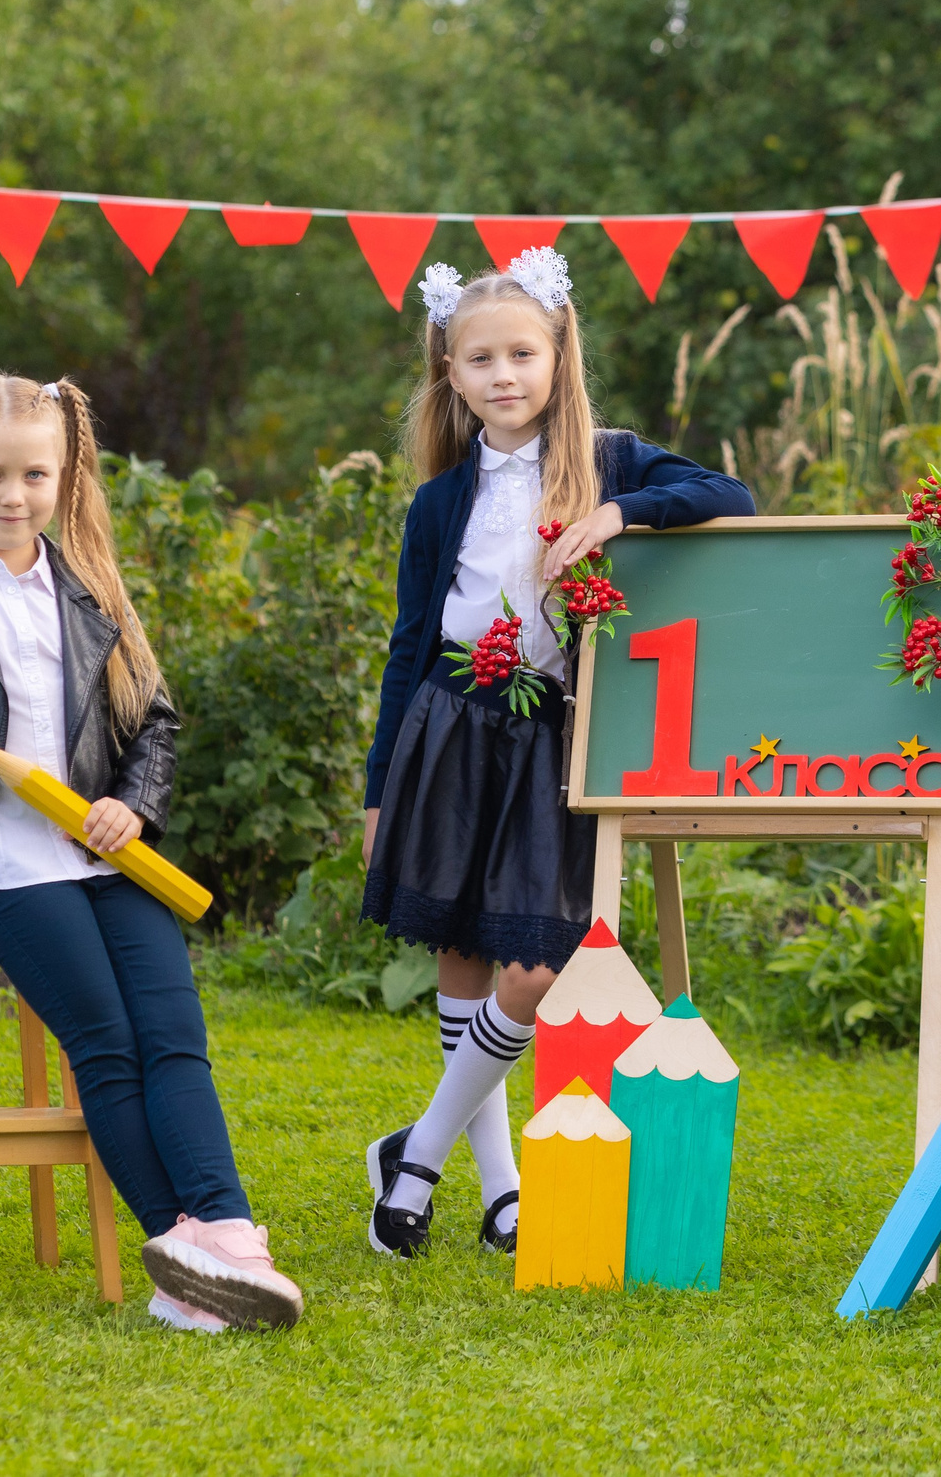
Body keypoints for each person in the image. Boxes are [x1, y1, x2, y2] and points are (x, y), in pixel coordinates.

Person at [0, 370, 302, 1334]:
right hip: (0, 864)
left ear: (65, 476)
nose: (14, 496)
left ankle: (228, 1237)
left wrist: (133, 803)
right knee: (108, 1044)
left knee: (174, 1034)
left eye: (35, 475)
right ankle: (180, 1257)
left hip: (106, 858)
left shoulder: (90, 591)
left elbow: (153, 722)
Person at [360, 247, 753, 1259]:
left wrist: (620, 512)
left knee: (535, 967)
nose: (504, 375)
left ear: (557, 356)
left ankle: (415, 1156)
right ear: (451, 373)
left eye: (522, 354)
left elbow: (732, 494)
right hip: (449, 728)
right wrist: (377, 791)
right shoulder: (439, 500)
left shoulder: (609, 460)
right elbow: (408, 646)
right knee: (461, 953)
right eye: (480, 359)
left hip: (554, 736)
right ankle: (502, 1192)